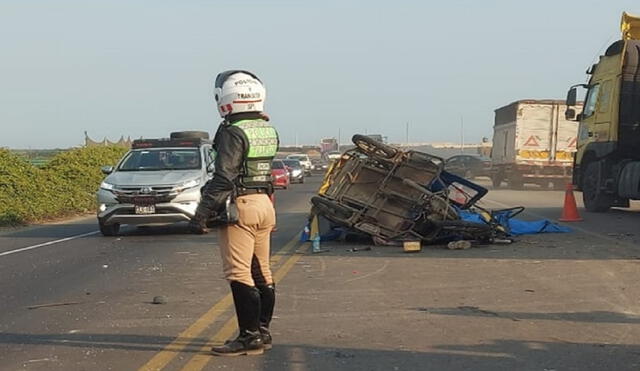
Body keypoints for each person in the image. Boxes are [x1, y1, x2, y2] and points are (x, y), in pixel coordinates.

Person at [190, 70, 279, 356]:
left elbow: (223, 178)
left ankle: (248, 337)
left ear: (225, 99)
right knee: (262, 270)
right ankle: (262, 332)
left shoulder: (232, 132)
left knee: (239, 273)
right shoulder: (266, 128)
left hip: (240, 206)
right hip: (264, 204)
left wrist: (201, 213)